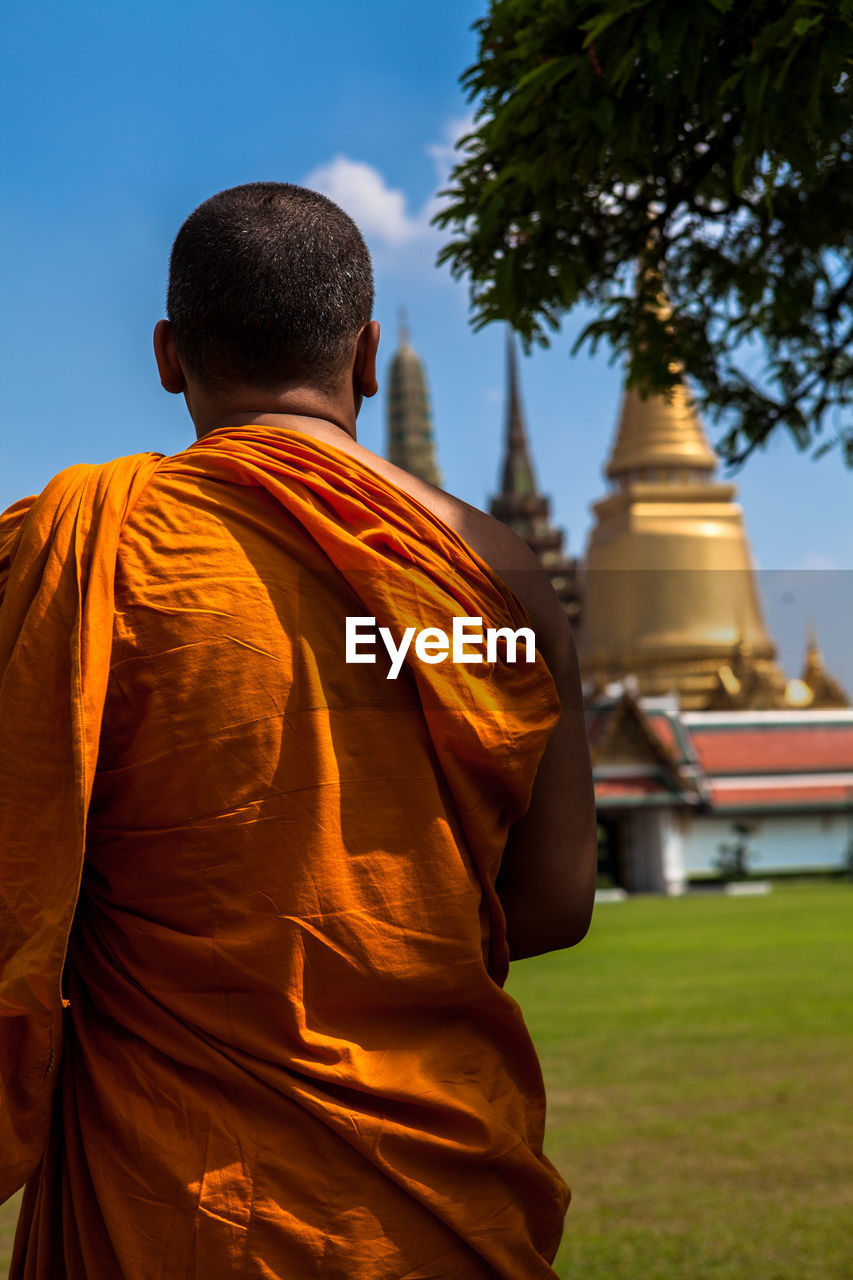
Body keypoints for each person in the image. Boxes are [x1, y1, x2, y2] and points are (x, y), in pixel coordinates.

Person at [0, 182, 597, 1279]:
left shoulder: (82, 551)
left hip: (175, 1204)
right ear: (366, 354)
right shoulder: (499, 580)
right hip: (436, 1201)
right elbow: (555, 903)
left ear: (169, 354)